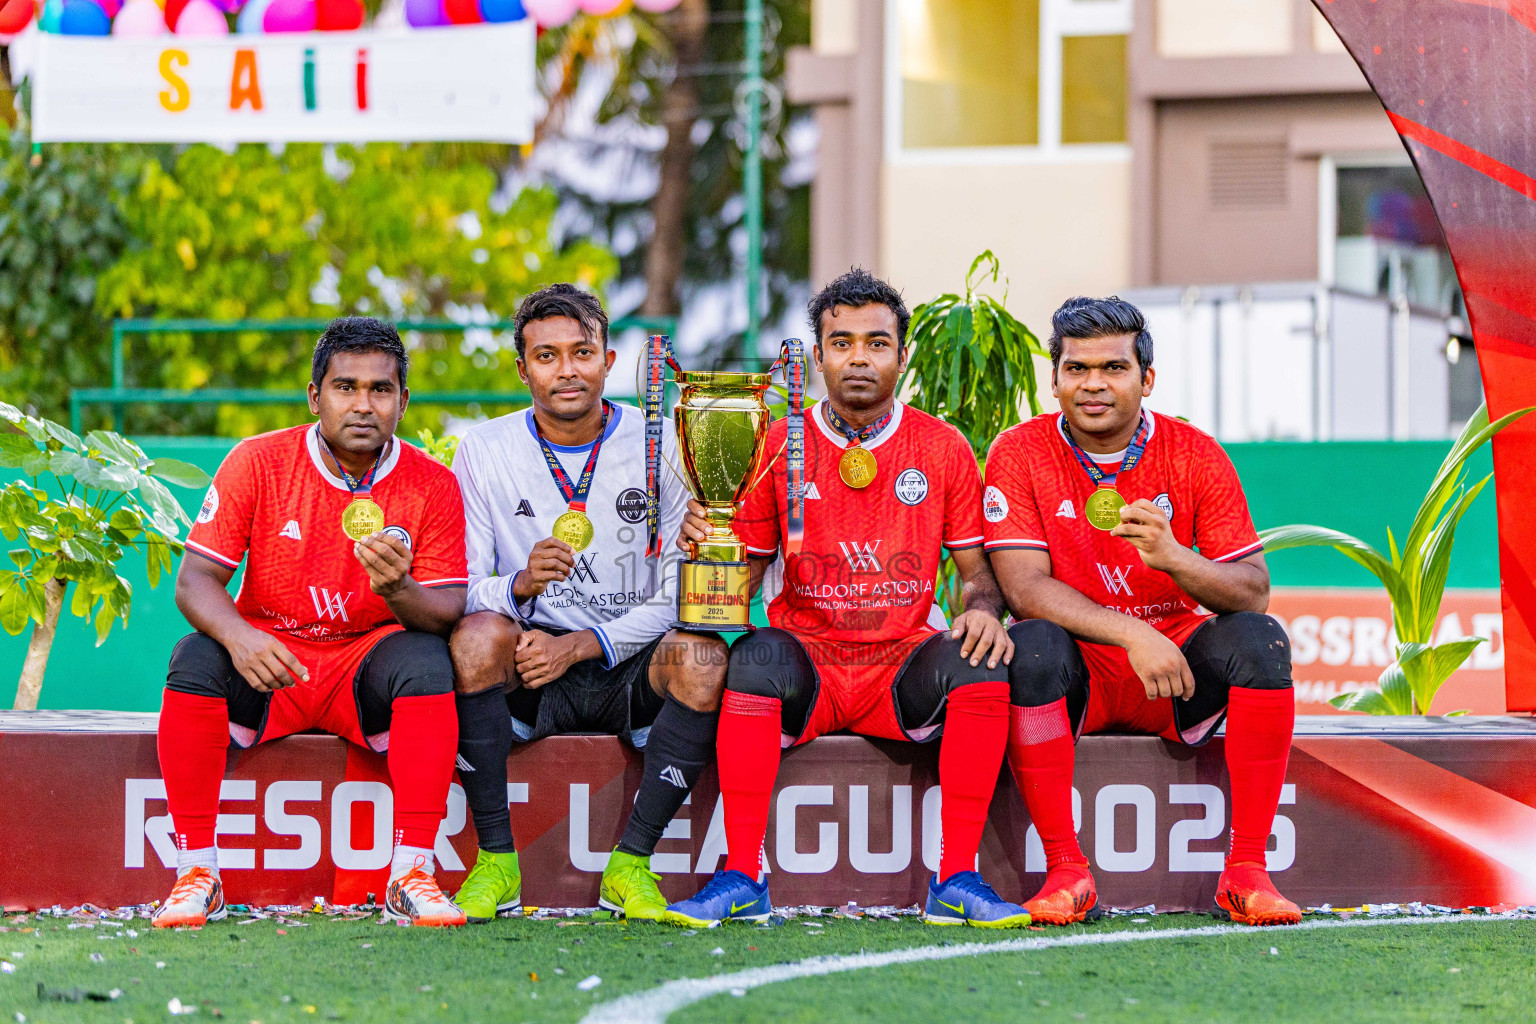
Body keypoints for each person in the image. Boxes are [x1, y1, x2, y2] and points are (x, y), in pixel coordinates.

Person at [664, 269, 1030, 929]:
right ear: (819, 355)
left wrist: (980, 610)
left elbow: (978, 573)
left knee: (981, 661)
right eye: (842, 342)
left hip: (901, 661)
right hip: (808, 659)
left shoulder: (942, 448)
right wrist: (707, 551)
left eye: (876, 343)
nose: (858, 357)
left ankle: (957, 878)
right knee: (752, 655)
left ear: (902, 356)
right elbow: (740, 580)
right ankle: (743, 874)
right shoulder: (775, 444)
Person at [986, 296, 1300, 927]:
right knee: (1032, 645)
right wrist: (1132, 633)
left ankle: (1246, 873)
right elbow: (1023, 589)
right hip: (1085, 672)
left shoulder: (1194, 453)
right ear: (1055, 379)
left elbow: (1252, 591)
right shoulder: (1019, 452)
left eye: (1113, 367)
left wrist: (1175, 558)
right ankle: (1067, 872)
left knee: (1262, 640)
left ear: (1147, 378)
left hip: (1176, 675)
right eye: (1076, 369)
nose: (1093, 384)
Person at [154, 317, 469, 928]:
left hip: (364, 666)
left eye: (380, 390)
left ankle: (411, 872)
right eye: (345, 387)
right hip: (273, 661)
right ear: (314, 396)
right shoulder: (258, 461)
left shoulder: (434, 483)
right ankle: (197, 872)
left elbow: (447, 611)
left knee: (429, 661)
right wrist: (240, 635)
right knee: (194, 656)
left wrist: (398, 588)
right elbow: (194, 580)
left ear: (403, 401)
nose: (362, 404)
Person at [449, 284, 728, 922]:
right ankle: (496, 860)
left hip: (627, 662)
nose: (567, 370)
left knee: (704, 657)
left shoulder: (663, 442)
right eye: (546, 356)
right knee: (472, 640)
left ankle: (632, 865)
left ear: (607, 359)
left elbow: (677, 592)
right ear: (522, 369)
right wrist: (518, 586)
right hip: (532, 661)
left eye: (582, 352)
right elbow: (461, 587)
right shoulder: (484, 449)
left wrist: (582, 645)